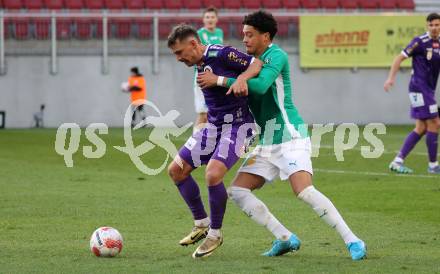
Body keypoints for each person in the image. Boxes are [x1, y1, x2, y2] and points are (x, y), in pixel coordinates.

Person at [197, 10, 366, 260]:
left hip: (290, 136)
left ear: (266, 36)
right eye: (243, 34)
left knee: (304, 191)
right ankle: (285, 238)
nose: (245, 40)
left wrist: (219, 79)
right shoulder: (246, 61)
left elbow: (260, 85)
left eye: (250, 35)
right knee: (238, 191)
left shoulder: (277, 55)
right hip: (267, 141)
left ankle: (353, 240)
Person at [167, 24, 262, 259]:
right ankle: (201, 223)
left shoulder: (221, 53)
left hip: (239, 126)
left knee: (213, 174)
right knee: (176, 170)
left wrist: (225, 80)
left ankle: (215, 234)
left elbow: (256, 65)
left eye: (180, 53)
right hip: (214, 127)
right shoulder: (198, 62)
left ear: (193, 44)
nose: (178, 58)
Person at [384, 13, 440, 174]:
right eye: (432, 25)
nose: (434, 28)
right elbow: (398, 58)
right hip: (418, 88)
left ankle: (397, 161)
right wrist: (390, 79)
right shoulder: (419, 42)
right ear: (427, 26)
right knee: (435, 123)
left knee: (422, 127)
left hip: (428, 89)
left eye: (437, 25)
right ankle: (433, 165)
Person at [193, 7, 224, 132]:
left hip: (216, 77)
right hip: (202, 77)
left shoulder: (219, 32)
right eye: (207, 17)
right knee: (203, 114)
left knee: (213, 114)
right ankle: (193, 144)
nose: (210, 19)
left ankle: (206, 143)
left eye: (212, 17)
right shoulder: (199, 34)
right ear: (203, 20)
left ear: (216, 19)